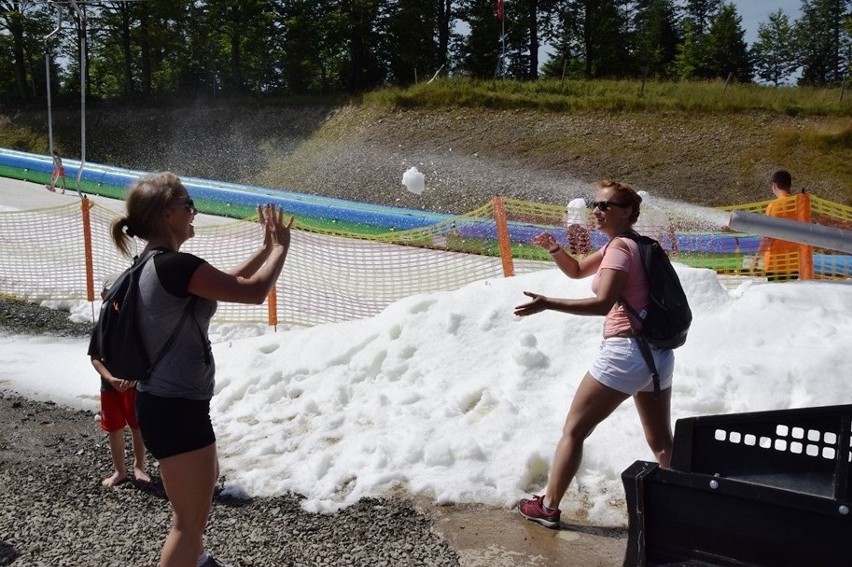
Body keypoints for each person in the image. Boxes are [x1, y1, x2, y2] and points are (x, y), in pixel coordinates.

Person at [109, 172, 294, 567]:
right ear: (167, 214)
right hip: (174, 408)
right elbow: (253, 291)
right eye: (188, 205)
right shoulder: (174, 266)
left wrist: (264, 250)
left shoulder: (153, 264)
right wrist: (281, 248)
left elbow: (226, 281)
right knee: (188, 524)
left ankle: (198, 562)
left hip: (170, 404)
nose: (194, 213)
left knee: (195, 514)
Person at [513, 179, 674, 529]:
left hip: (625, 353)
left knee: (573, 430)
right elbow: (576, 270)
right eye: (595, 205)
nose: (597, 211)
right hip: (658, 355)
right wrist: (556, 249)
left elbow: (603, 304)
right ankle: (686, 507)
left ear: (629, 211)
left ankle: (549, 507)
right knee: (661, 442)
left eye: (606, 206)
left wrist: (547, 303)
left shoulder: (619, 249)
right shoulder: (635, 244)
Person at [88, 274, 151, 487]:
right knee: (114, 428)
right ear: (104, 295)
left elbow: (146, 354)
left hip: (134, 384)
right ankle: (119, 471)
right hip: (110, 386)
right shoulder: (100, 325)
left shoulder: (135, 320)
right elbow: (95, 357)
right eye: (110, 294)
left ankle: (139, 466)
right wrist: (110, 378)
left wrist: (135, 377)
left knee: (137, 426)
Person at [753, 170, 799, 281]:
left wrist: (756, 258)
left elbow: (767, 237)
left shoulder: (774, 206)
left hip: (775, 264)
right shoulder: (799, 204)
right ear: (790, 185)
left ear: (774, 185)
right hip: (794, 263)